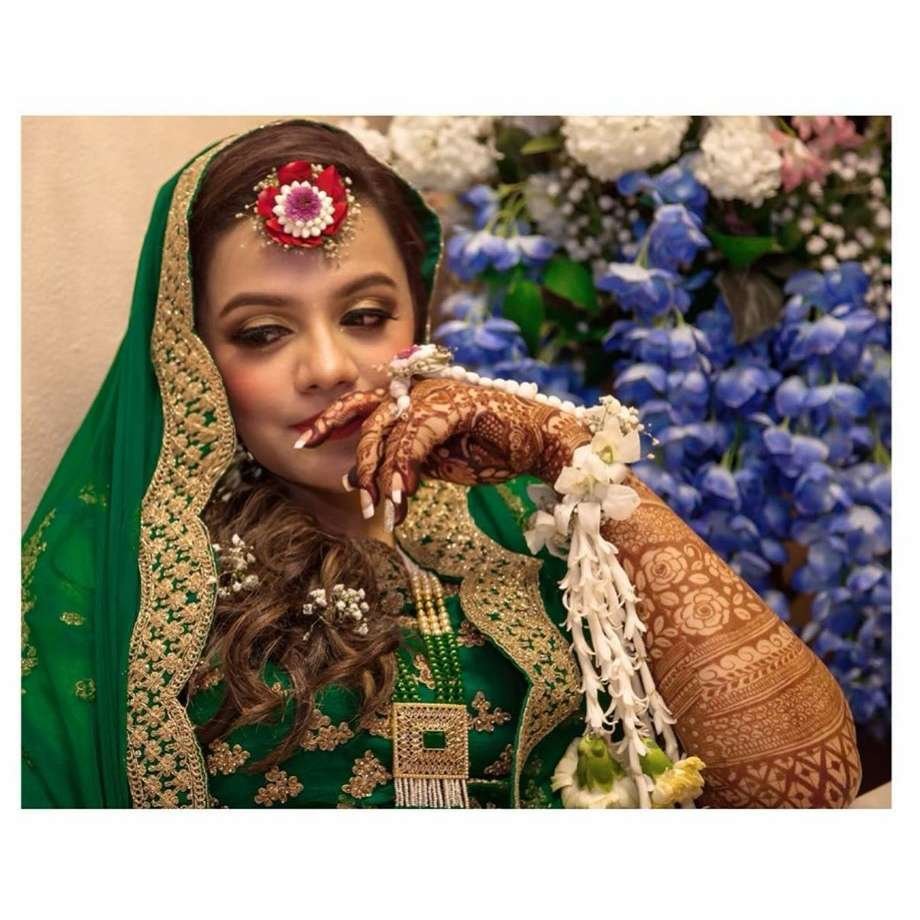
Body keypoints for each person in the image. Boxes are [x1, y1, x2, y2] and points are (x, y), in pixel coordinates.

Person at [21, 118, 862, 808]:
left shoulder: (530, 522)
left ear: (419, 321)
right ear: (190, 358)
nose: (329, 368)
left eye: (365, 315)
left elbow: (804, 794)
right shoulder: (116, 590)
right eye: (263, 333)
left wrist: (571, 455)